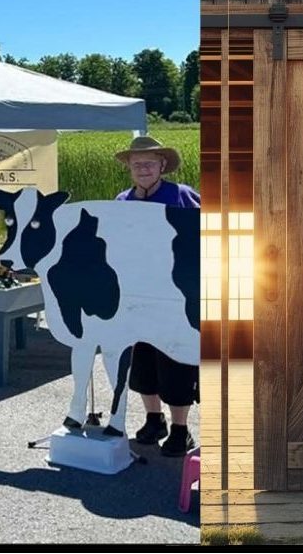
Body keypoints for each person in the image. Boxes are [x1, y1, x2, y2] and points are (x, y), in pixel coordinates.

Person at [114, 135, 200, 457]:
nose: (144, 168)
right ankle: (154, 419)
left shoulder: (181, 195)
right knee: (143, 361)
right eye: (137, 164)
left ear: (163, 165)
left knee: (176, 360)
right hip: (136, 295)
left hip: (175, 297)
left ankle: (181, 430)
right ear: (130, 169)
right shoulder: (122, 201)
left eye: (150, 163)